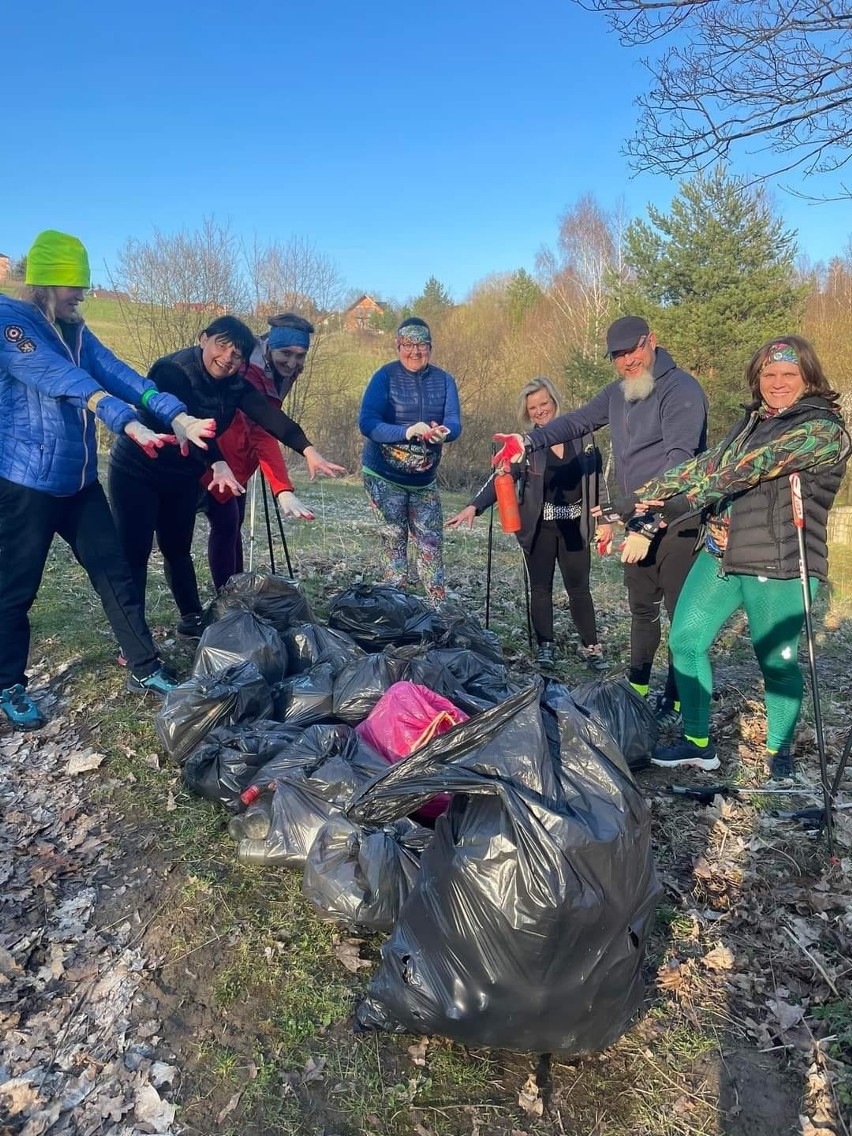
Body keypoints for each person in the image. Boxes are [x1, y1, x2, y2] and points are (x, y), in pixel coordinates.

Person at [0, 230, 216, 729]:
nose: (82, 295)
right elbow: (59, 377)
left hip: (77, 483)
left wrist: (174, 414)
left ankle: (143, 667)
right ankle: (9, 682)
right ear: (47, 283)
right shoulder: (12, 325)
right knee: (17, 586)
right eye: (74, 285)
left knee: (114, 570)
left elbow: (118, 373)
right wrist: (121, 419)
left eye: (84, 286)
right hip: (25, 481)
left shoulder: (75, 329)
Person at [621, 336, 849, 777]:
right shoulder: (751, 423)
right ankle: (697, 741)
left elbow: (748, 469)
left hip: (780, 562)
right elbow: (705, 465)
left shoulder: (824, 430)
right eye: (768, 374)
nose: (777, 383)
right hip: (721, 552)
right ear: (757, 378)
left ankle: (779, 754)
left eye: (788, 374)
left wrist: (676, 507)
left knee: (775, 662)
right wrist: (633, 501)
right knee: (686, 640)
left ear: (808, 378)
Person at [492, 316, 707, 723]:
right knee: (642, 609)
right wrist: (528, 440)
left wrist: (648, 522)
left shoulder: (681, 390)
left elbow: (682, 462)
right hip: (636, 519)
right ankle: (638, 688)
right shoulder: (618, 393)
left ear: (652, 342)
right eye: (619, 356)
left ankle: (676, 700)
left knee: (680, 619)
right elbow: (577, 420)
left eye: (634, 350)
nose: (628, 361)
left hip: (677, 521)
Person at [109, 315, 344, 638]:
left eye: (237, 355)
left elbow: (270, 418)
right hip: (138, 468)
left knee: (177, 548)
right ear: (203, 338)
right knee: (134, 552)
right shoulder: (172, 371)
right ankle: (131, 635)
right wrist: (218, 462)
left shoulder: (235, 384)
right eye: (222, 346)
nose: (228, 359)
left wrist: (308, 450)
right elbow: (184, 422)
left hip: (181, 473)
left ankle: (191, 619)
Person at [448, 376, 611, 670]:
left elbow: (598, 482)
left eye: (543, 404)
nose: (539, 411)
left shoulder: (583, 436)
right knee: (541, 588)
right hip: (540, 530)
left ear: (555, 402)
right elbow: (501, 478)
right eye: (533, 407)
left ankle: (591, 647)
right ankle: (545, 647)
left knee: (579, 589)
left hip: (576, 526)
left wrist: (606, 519)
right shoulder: (526, 445)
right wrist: (474, 506)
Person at [204, 313, 317, 591]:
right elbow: (260, 430)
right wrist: (282, 489)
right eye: (286, 353)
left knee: (233, 525)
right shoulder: (249, 371)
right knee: (226, 524)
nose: (292, 362)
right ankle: (226, 597)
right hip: (217, 453)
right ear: (270, 346)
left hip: (242, 458)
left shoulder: (282, 369)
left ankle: (236, 591)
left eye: (300, 355)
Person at [359, 317, 462, 602]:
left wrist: (445, 432)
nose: (415, 351)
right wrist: (406, 431)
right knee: (394, 539)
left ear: (430, 347)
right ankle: (396, 602)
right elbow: (368, 423)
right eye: (409, 344)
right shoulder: (385, 376)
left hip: (424, 480)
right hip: (383, 475)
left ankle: (437, 605)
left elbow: (454, 422)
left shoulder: (444, 381)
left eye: (422, 345)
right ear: (398, 345)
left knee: (430, 542)